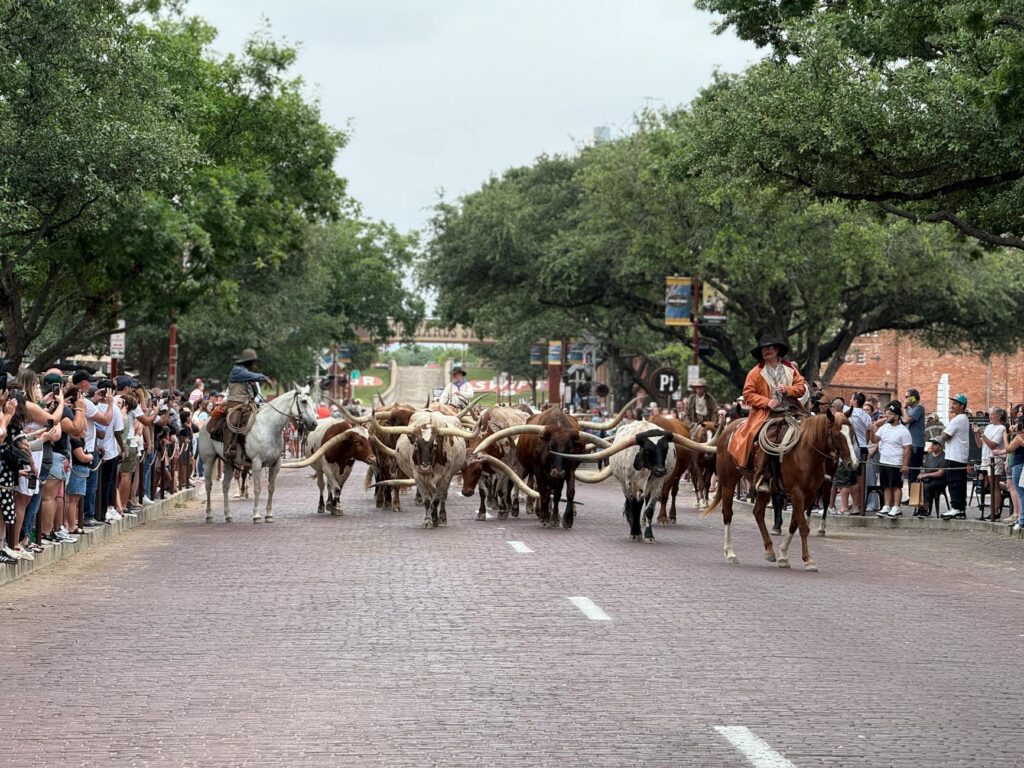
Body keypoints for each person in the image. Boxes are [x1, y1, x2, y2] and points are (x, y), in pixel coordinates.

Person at [727, 336, 807, 493]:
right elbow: (748, 394)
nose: (767, 351)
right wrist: (766, 402)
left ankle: (814, 471)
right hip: (767, 414)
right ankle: (762, 476)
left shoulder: (791, 368)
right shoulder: (755, 372)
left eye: (770, 348)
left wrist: (788, 390)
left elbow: (801, 387)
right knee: (768, 438)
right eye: (764, 349)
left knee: (813, 430)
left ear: (777, 350)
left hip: (792, 410)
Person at [221, 348, 270, 467]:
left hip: (248, 404)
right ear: (249, 362)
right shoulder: (237, 371)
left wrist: (253, 385)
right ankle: (228, 448)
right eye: (253, 362)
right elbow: (253, 375)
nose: (255, 365)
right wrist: (264, 378)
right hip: (235, 404)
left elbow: (253, 393)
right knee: (233, 421)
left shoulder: (247, 376)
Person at [869, 400, 912, 518]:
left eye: (890, 414)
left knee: (896, 485)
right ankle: (887, 506)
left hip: (896, 462)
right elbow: (874, 440)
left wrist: (905, 464)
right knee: (886, 485)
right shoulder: (885, 427)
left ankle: (896, 507)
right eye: (886, 413)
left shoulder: (903, 431)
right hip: (884, 461)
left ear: (897, 416)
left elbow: (907, 448)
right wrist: (872, 431)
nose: (887, 416)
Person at [937, 393, 970, 519]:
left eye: (955, 403)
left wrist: (943, 431)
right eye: (952, 403)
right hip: (959, 455)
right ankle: (960, 509)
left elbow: (944, 436)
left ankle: (956, 508)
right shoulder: (964, 419)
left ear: (962, 406)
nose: (952, 405)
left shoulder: (958, 419)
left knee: (954, 483)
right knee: (960, 483)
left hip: (954, 456)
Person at [973, 406, 1007, 521]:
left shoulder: (1001, 428)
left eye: (992, 414)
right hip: (985, 458)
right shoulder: (988, 427)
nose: (990, 417)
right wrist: (976, 434)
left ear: (998, 416)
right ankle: (991, 509)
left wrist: (981, 434)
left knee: (994, 485)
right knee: (986, 485)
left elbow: (993, 445)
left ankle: (995, 511)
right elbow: (980, 444)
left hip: (995, 459)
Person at [902, 389, 926, 492]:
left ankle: (915, 496)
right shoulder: (910, 409)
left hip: (916, 444)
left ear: (913, 398)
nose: (906, 399)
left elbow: (907, 420)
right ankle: (912, 495)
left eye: (907, 397)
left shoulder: (918, 408)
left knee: (914, 471)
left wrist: (904, 407)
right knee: (910, 471)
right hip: (909, 443)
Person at [918, 437, 947, 517]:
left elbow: (940, 473)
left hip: (939, 480)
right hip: (928, 478)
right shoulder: (929, 455)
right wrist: (922, 473)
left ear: (940, 446)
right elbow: (925, 467)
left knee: (926, 487)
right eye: (932, 443)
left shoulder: (944, 456)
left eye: (935, 443)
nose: (932, 445)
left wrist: (926, 475)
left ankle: (925, 509)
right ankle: (918, 506)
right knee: (916, 483)